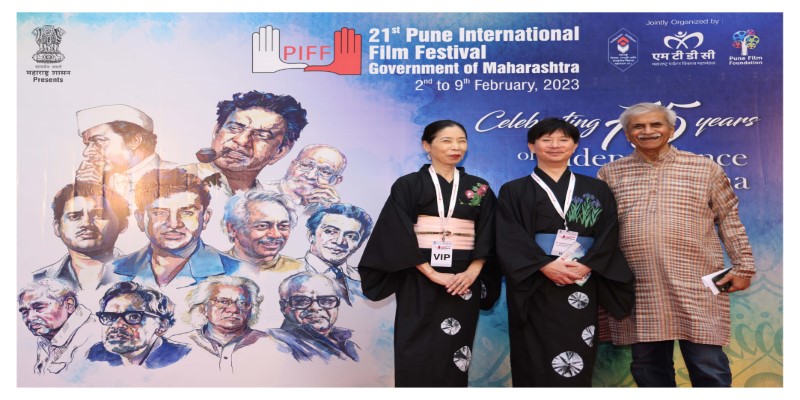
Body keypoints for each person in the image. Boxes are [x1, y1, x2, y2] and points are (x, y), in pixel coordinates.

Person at [597, 102, 756, 387]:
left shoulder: (704, 168)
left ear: (671, 130)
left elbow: (729, 219)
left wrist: (744, 267)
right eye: (638, 126)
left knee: (707, 363)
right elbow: (599, 230)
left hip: (696, 281)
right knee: (648, 367)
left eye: (656, 124)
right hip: (639, 284)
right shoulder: (610, 173)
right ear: (627, 134)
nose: (648, 131)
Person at [358, 119, 500, 387]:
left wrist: (473, 271)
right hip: (418, 274)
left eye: (461, 141)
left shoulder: (478, 187)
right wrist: (431, 273)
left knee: (457, 349)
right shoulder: (408, 185)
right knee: (415, 345)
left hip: (463, 280)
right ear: (427, 145)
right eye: (447, 140)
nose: (456, 147)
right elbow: (395, 232)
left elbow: (491, 231)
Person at [495, 118, 634, 387]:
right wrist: (543, 265)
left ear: (575, 145)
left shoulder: (596, 189)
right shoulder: (514, 190)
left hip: (581, 279)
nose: (555, 145)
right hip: (535, 282)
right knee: (533, 350)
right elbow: (508, 236)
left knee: (578, 347)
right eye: (546, 140)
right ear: (532, 146)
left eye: (563, 139)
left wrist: (588, 264)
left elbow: (608, 232)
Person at [110, 168, 242, 288]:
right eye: (160, 212)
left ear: (205, 218)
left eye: (187, 213)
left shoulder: (238, 272)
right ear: (140, 219)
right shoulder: (112, 271)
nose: (173, 224)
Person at [183, 91, 308, 195]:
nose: (242, 141)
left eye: (262, 135)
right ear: (216, 132)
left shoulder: (272, 205)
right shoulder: (177, 180)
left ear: (279, 152)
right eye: (234, 128)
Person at [171, 275, 286, 373]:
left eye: (242, 303)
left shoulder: (273, 346)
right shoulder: (177, 344)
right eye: (223, 301)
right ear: (203, 308)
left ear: (251, 309)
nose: (233, 309)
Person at [34, 183, 129, 292]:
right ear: (57, 227)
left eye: (99, 215)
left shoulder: (141, 274)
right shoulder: (36, 281)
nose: (86, 223)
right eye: (74, 216)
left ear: (122, 225)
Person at [74, 104, 175, 206]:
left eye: (98, 141)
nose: (86, 152)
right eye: (87, 144)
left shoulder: (178, 177)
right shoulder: (103, 182)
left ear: (134, 140)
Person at [87, 282, 191, 368]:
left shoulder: (182, 356)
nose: (117, 325)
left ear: (162, 326)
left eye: (133, 316)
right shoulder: (96, 354)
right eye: (109, 317)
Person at [269, 272, 359, 362]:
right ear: (283, 307)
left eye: (326, 300)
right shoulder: (275, 342)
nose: (315, 308)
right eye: (302, 301)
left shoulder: (348, 340)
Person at [18, 278, 100, 375]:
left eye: (39, 307)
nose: (30, 317)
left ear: (69, 305)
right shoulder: (45, 340)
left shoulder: (95, 335)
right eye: (24, 312)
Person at [302, 203, 373, 305]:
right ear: (311, 235)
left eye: (351, 236)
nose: (340, 241)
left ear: (359, 244)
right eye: (330, 231)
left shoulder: (363, 280)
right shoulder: (292, 271)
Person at [222, 190, 302, 273]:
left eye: (283, 226)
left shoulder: (299, 270)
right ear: (233, 229)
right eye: (262, 226)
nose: (276, 234)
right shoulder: (216, 265)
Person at [263, 144, 347, 214]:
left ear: (336, 181)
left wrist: (333, 211)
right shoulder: (261, 190)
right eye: (306, 165)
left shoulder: (328, 209)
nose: (310, 176)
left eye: (325, 172)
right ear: (292, 165)